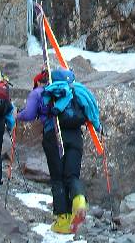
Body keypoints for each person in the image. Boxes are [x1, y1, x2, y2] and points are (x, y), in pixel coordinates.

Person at [17, 67, 87, 234]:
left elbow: (29, 114)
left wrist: (17, 115)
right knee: (72, 175)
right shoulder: (75, 91)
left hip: (53, 135)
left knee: (57, 178)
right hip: (76, 135)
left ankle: (62, 220)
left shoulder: (42, 92)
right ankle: (79, 200)